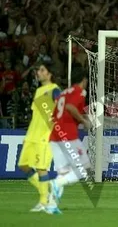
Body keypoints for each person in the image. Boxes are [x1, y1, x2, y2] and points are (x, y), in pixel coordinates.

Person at [16, 61, 61, 214]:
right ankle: (50, 189)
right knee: (23, 165)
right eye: (38, 70)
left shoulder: (55, 90)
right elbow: (36, 115)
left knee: (42, 168)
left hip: (45, 136)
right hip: (32, 135)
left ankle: (43, 201)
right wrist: (28, 134)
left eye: (42, 70)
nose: (38, 72)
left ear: (50, 74)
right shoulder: (39, 91)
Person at [47, 67, 91, 214]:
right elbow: (71, 107)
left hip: (54, 135)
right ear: (84, 80)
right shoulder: (79, 92)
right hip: (67, 135)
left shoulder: (64, 93)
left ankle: (51, 204)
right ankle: (56, 183)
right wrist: (83, 121)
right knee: (84, 168)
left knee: (63, 171)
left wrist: (80, 118)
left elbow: (57, 114)